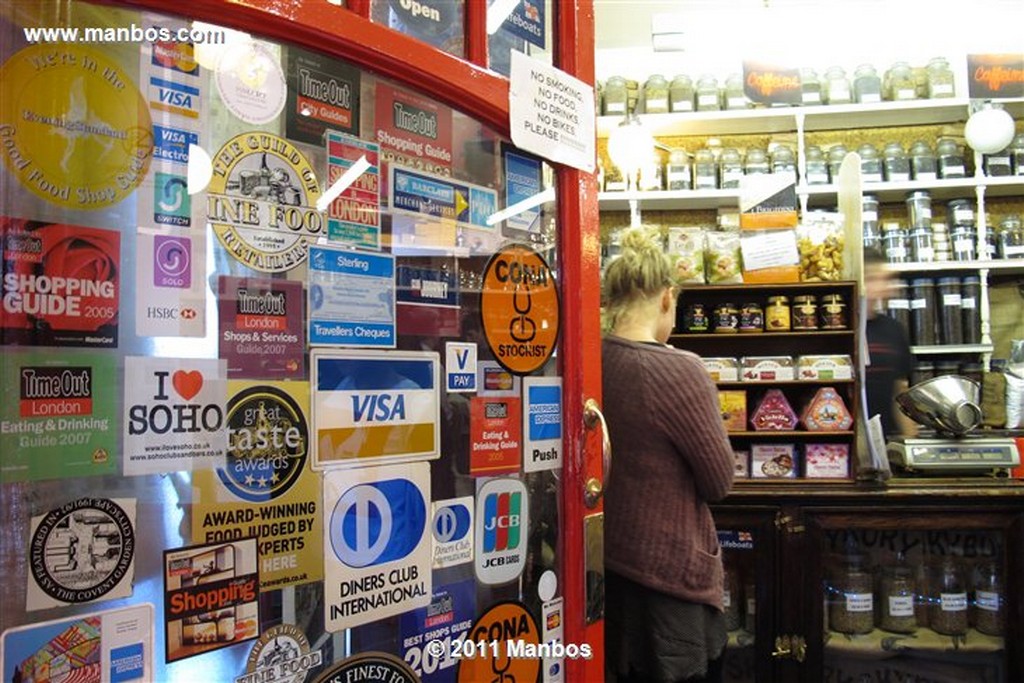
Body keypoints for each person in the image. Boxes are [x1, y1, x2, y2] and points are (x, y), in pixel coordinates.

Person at [601, 227, 735, 683]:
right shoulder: (680, 369)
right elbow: (719, 482)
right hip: (668, 579)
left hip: (606, 563)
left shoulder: (591, 357)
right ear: (666, 297)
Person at [863, 249, 918, 437]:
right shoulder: (841, 332)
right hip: (840, 445)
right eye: (879, 278)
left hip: (887, 441)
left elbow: (900, 392)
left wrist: (911, 443)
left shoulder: (893, 330)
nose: (889, 285)